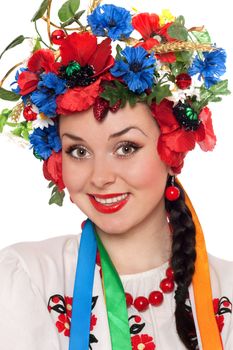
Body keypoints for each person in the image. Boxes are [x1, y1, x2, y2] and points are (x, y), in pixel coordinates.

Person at [0, 1, 232, 349]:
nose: (100, 177)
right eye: (78, 151)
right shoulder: (28, 279)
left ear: (172, 149)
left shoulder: (227, 286)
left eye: (126, 148)